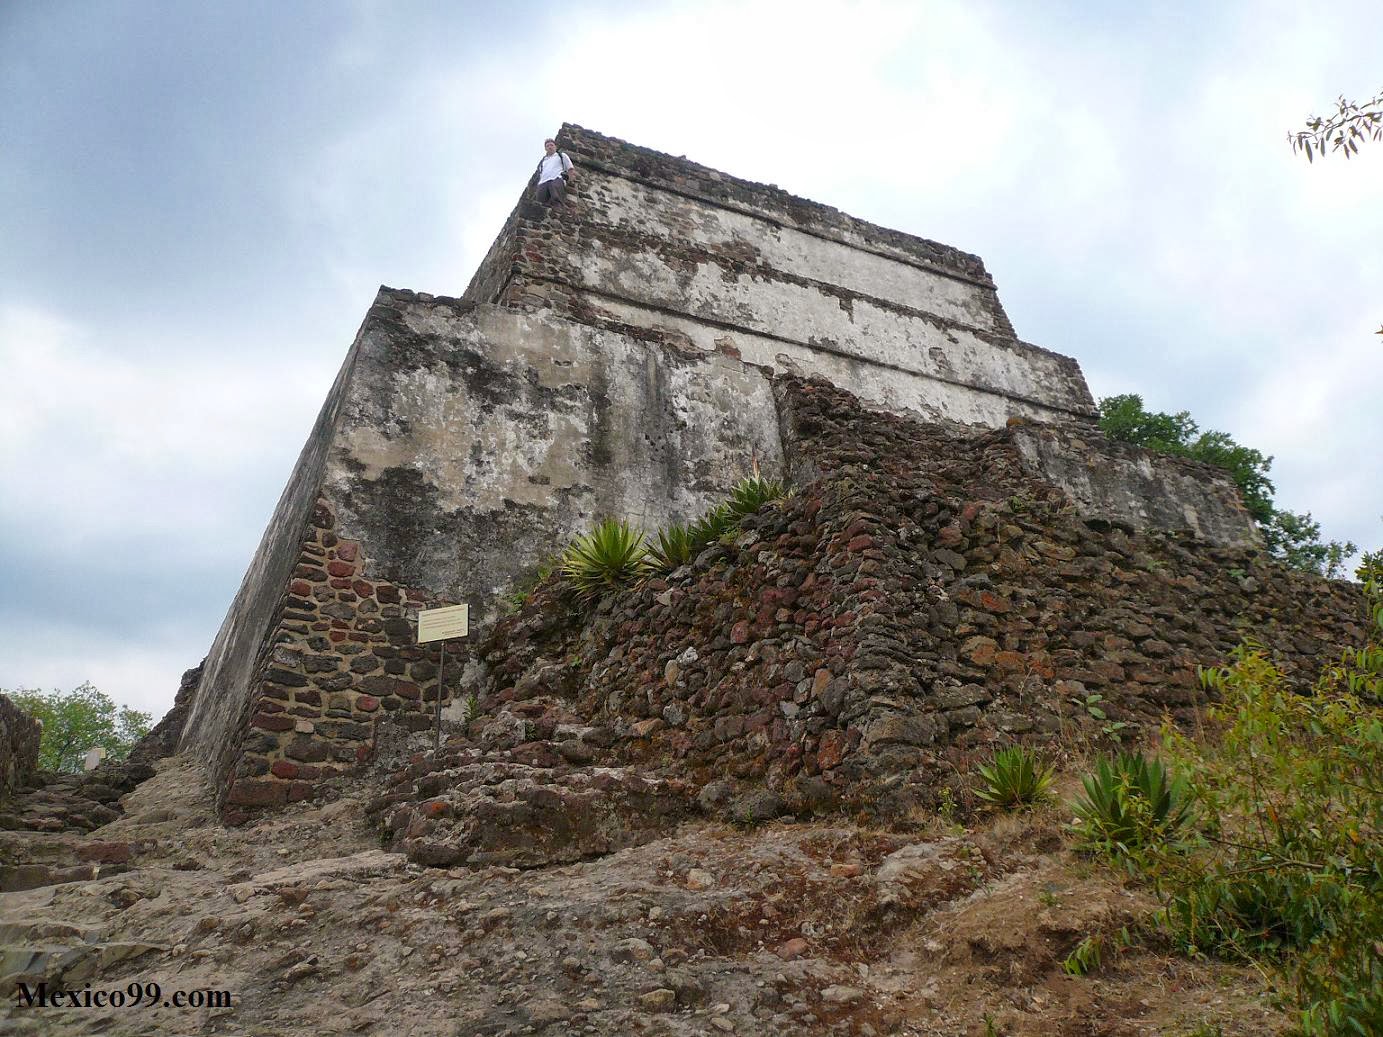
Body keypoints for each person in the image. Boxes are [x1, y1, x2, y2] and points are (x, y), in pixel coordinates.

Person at [535, 138, 574, 205]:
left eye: (551, 145)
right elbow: (541, 173)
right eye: (547, 146)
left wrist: (570, 180)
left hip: (556, 179)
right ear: (545, 148)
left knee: (556, 200)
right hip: (543, 182)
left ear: (555, 146)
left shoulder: (561, 155)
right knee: (540, 204)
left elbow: (570, 168)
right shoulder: (543, 161)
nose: (550, 147)